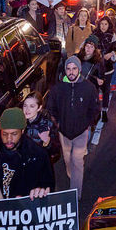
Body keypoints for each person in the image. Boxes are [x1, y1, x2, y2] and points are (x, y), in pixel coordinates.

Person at [0, 108, 54, 201]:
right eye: (4, 134)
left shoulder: (38, 155)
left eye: (14, 134)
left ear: (22, 131)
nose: (9, 139)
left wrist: (39, 192)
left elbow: (48, 187)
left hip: (25, 207)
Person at [47, 56, 100, 197]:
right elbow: (51, 107)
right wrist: (58, 123)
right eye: (68, 69)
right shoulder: (58, 89)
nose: (71, 72)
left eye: (74, 69)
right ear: (65, 70)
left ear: (79, 69)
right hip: (63, 133)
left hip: (81, 133)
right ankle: (72, 175)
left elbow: (95, 108)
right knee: (67, 158)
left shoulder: (89, 88)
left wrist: (87, 123)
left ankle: (75, 194)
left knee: (77, 161)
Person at [93, 18, 116, 121]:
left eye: (105, 24)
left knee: (106, 90)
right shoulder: (94, 35)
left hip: (107, 68)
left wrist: (111, 54)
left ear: (109, 25)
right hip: (96, 68)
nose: (103, 26)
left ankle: (104, 111)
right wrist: (96, 54)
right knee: (95, 90)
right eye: (101, 24)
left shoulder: (112, 36)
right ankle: (96, 111)